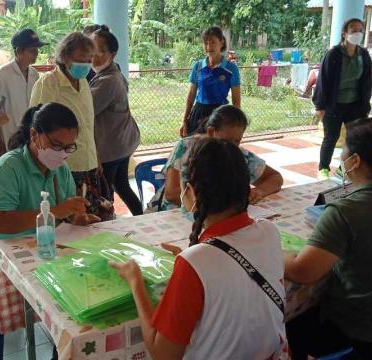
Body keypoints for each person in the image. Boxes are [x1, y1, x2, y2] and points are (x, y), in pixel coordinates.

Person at [111, 137, 287, 359]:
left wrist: (136, 282)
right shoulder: (270, 231)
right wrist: (196, 255)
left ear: (192, 192)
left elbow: (163, 354)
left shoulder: (195, 262)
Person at [0, 102, 100, 359]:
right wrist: (56, 212)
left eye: (69, 147)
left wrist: (77, 218)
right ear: (34, 135)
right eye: (57, 145)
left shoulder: (60, 168)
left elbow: (66, 213)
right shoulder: (9, 167)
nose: (62, 154)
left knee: (76, 316)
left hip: (45, 255)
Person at [284, 118, 372, 359]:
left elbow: (303, 272)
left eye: (343, 150)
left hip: (356, 329)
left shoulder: (347, 211)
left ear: (355, 161)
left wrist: (277, 253)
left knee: (284, 326)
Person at [30, 32, 114, 221]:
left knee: (93, 220)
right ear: (65, 58)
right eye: (80, 59)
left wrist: (96, 156)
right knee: (67, 224)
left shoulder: (84, 82)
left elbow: (87, 122)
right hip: (63, 167)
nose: (86, 64)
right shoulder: (48, 83)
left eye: (89, 59)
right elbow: (37, 125)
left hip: (88, 163)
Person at [148, 105, 283, 211]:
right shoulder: (186, 147)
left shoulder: (238, 155)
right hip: (174, 214)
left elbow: (275, 178)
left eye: (237, 141)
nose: (232, 146)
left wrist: (259, 191)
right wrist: (226, 201)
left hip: (215, 217)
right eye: (227, 140)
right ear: (211, 132)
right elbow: (172, 194)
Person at [89, 25, 143, 216]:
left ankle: (108, 229)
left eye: (100, 52)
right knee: (121, 185)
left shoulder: (108, 80)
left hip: (112, 148)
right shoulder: (108, 73)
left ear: (112, 54)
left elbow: (86, 110)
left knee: (105, 195)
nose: (94, 56)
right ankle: (139, 217)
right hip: (122, 143)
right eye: (91, 50)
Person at [313, 18, 372, 179]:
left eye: (360, 30)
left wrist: (365, 106)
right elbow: (323, 81)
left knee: (354, 139)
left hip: (355, 106)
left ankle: (344, 170)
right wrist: (320, 106)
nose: (357, 34)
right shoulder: (334, 54)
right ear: (344, 33)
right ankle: (323, 169)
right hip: (334, 105)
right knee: (331, 137)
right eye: (353, 30)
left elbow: (367, 81)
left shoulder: (364, 55)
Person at [0, 28, 47, 148]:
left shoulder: (34, 74)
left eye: (37, 50)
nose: (36, 54)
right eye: (32, 50)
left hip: (32, 139)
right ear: (19, 51)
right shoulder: (2, 75)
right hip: (10, 140)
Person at [180, 26, 241, 137]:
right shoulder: (198, 66)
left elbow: (236, 102)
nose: (209, 47)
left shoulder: (231, 69)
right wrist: (184, 120)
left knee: (216, 150)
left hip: (220, 117)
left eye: (213, 42)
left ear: (221, 42)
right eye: (206, 43)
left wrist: (235, 126)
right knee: (195, 150)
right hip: (198, 115)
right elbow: (191, 96)